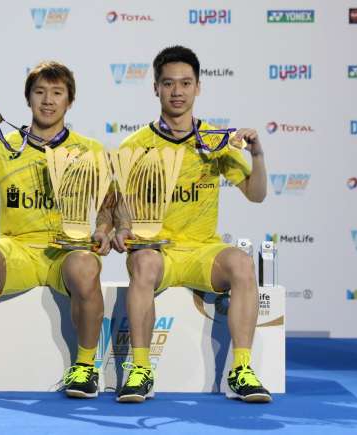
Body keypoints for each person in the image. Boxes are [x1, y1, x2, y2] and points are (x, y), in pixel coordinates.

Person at [0, 61, 112, 399]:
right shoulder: (2, 146)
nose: (48, 100)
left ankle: (86, 369)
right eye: (40, 92)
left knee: (86, 266)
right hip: (18, 250)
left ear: (69, 101)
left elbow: (108, 206)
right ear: (28, 99)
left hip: (68, 251)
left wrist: (104, 229)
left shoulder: (90, 150)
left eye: (57, 93)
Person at [110, 46, 271, 403]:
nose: (177, 91)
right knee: (144, 262)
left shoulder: (215, 141)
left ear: (198, 87)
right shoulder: (134, 145)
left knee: (241, 264)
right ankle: (139, 370)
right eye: (169, 83)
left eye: (185, 83)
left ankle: (242, 370)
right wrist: (121, 228)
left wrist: (257, 155)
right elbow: (118, 204)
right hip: (158, 251)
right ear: (156, 88)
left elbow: (256, 194)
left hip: (202, 252)